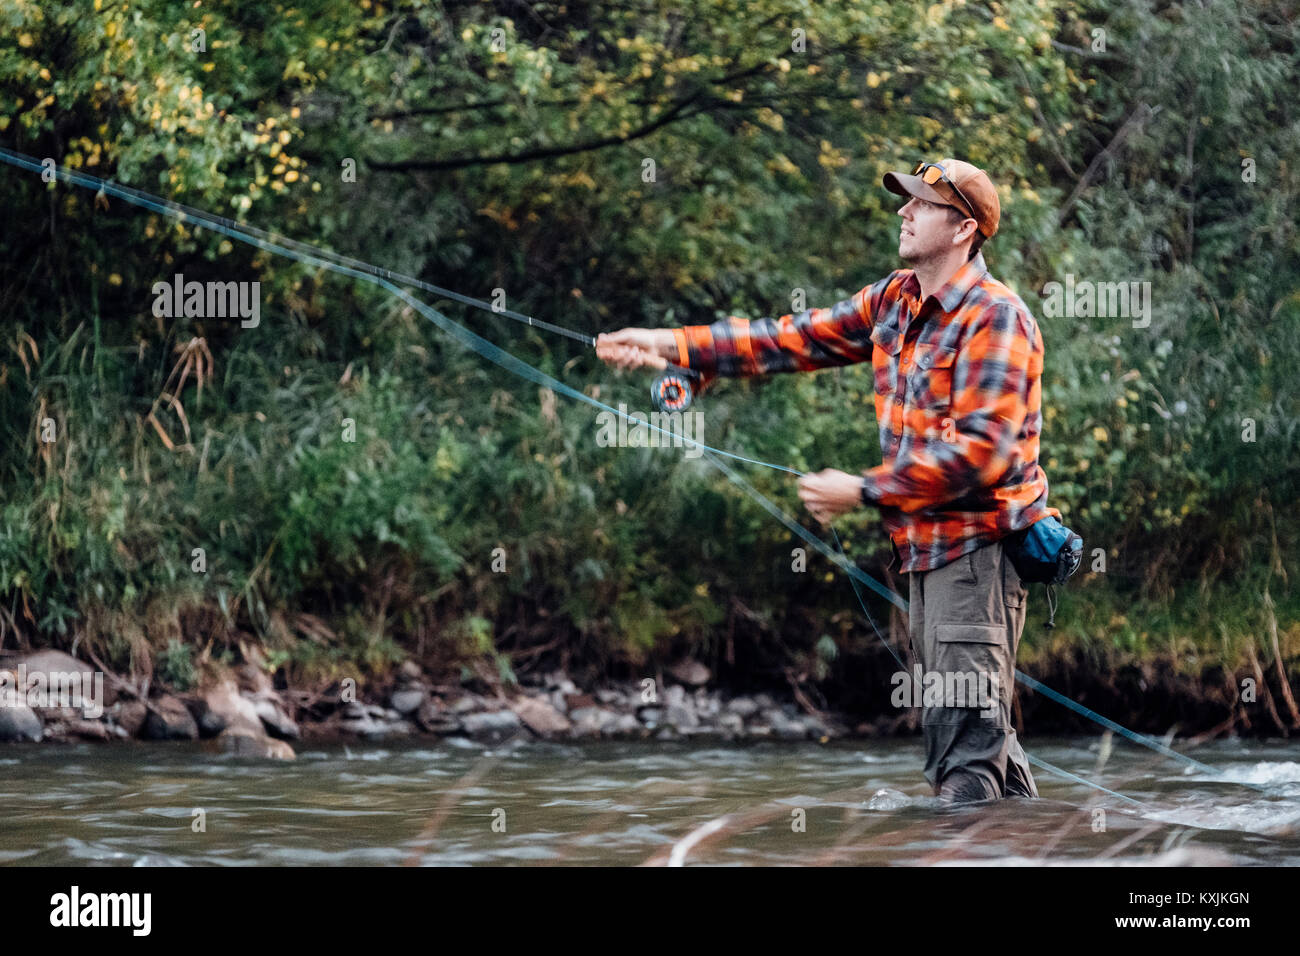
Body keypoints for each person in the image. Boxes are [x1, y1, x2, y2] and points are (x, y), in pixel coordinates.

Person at [596, 159, 1059, 803]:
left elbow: (983, 455)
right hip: (927, 555)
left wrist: (864, 490)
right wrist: (672, 346)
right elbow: (791, 338)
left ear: (964, 230)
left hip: (977, 555)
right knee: (979, 750)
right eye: (908, 202)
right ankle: (1031, 844)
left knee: (966, 754)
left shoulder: (995, 317)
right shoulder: (894, 299)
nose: (904, 212)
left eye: (921, 205)